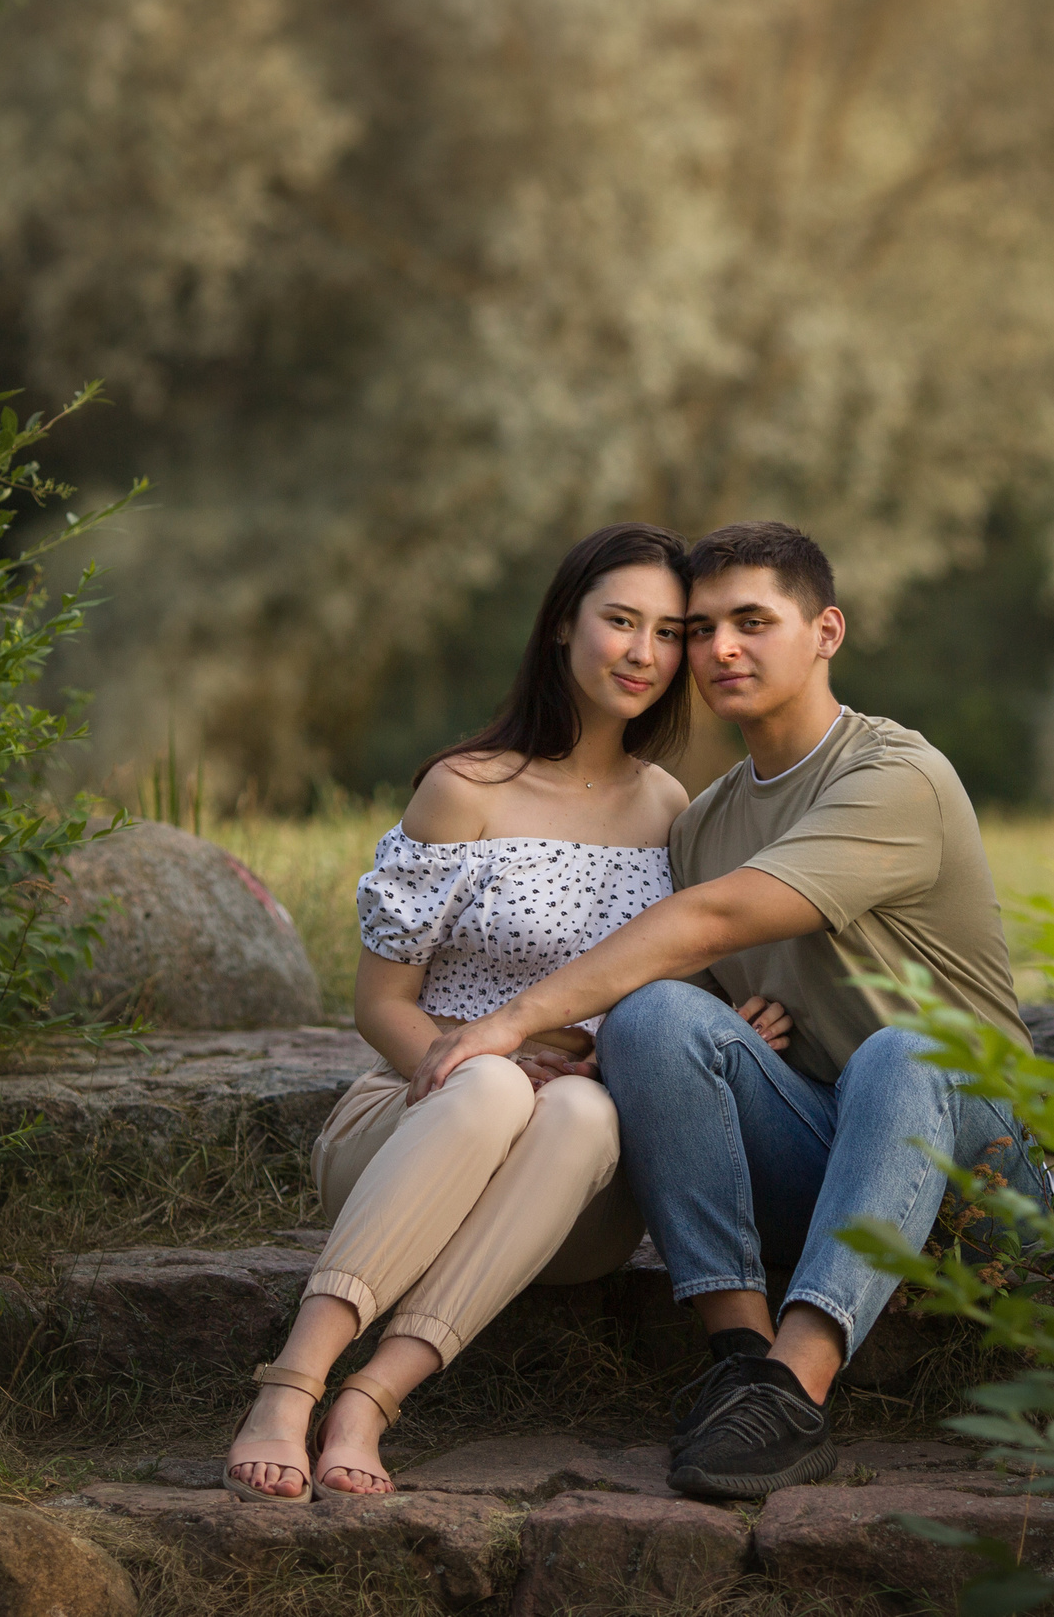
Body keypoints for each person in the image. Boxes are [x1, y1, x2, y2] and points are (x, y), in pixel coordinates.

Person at [406, 520, 1044, 1500]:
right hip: (825, 1156)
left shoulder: (895, 776)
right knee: (652, 1015)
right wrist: (666, 1044)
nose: (719, 650)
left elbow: (714, 919)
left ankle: (794, 1390)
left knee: (905, 1050)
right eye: (699, 630)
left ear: (825, 631)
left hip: (977, 1170)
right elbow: (687, 1010)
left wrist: (507, 1019)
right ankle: (741, 1360)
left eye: (752, 622)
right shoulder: (704, 822)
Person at [222, 522, 795, 1503]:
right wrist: (484, 1069)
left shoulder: (670, 809)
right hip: (413, 1131)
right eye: (621, 621)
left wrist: (738, 1029)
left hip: (575, 1193)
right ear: (563, 625)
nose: (644, 653)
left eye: (669, 633)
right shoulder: (464, 790)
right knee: (492, 1086)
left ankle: (371, 1398)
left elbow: (683, 983)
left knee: (581, 1109)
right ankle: (292, 1387)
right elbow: (379, 1003)